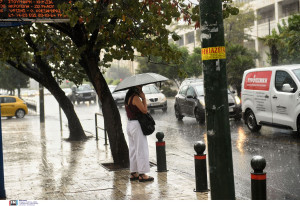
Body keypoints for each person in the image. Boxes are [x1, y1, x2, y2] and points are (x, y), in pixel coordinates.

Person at [125, 85, 154, 182]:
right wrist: (144, 98)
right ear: (136, 89)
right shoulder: (135, 98)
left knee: (133, 149)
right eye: (140, 88)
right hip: (136, 125)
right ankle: (142, 174)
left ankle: (134, 173)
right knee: (141, 149)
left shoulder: (128, 97)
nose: (141, 89)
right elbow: (144, 110)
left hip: (129, 124)